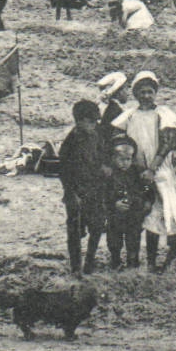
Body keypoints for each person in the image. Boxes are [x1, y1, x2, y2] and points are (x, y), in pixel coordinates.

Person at [59, 100, 107, 276]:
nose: (94, 125)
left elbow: (102, 156)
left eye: (96, 121)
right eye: (91, 121)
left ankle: (90, 261)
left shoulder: (96, 136)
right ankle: (75, 266)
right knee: (75, 230)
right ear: (79, 120)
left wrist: (104, 166)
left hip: (95, 189)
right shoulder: (70, 142)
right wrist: (71, 193)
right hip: (76, 191)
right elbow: (64, 172)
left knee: (97, 226)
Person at [144, 123, 176, 271]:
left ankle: (157, 262)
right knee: (175, 222)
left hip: (166, 183)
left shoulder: (167, 150)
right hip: (163, 184)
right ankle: (163, 262)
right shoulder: (164, 149)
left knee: (158, 222)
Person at [103, 138, 150, 271]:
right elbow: (103, 193)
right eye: (121, 159)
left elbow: (146, 190)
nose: (125, 163)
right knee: (114, 238)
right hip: (115, 213)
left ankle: (132, 260)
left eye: (128, 159)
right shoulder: (109, 174)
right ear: (113, 158)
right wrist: (114, 204)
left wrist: (144, 202)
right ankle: (115, 259)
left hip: (133, 212)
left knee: (134, 237)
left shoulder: (136, 172)